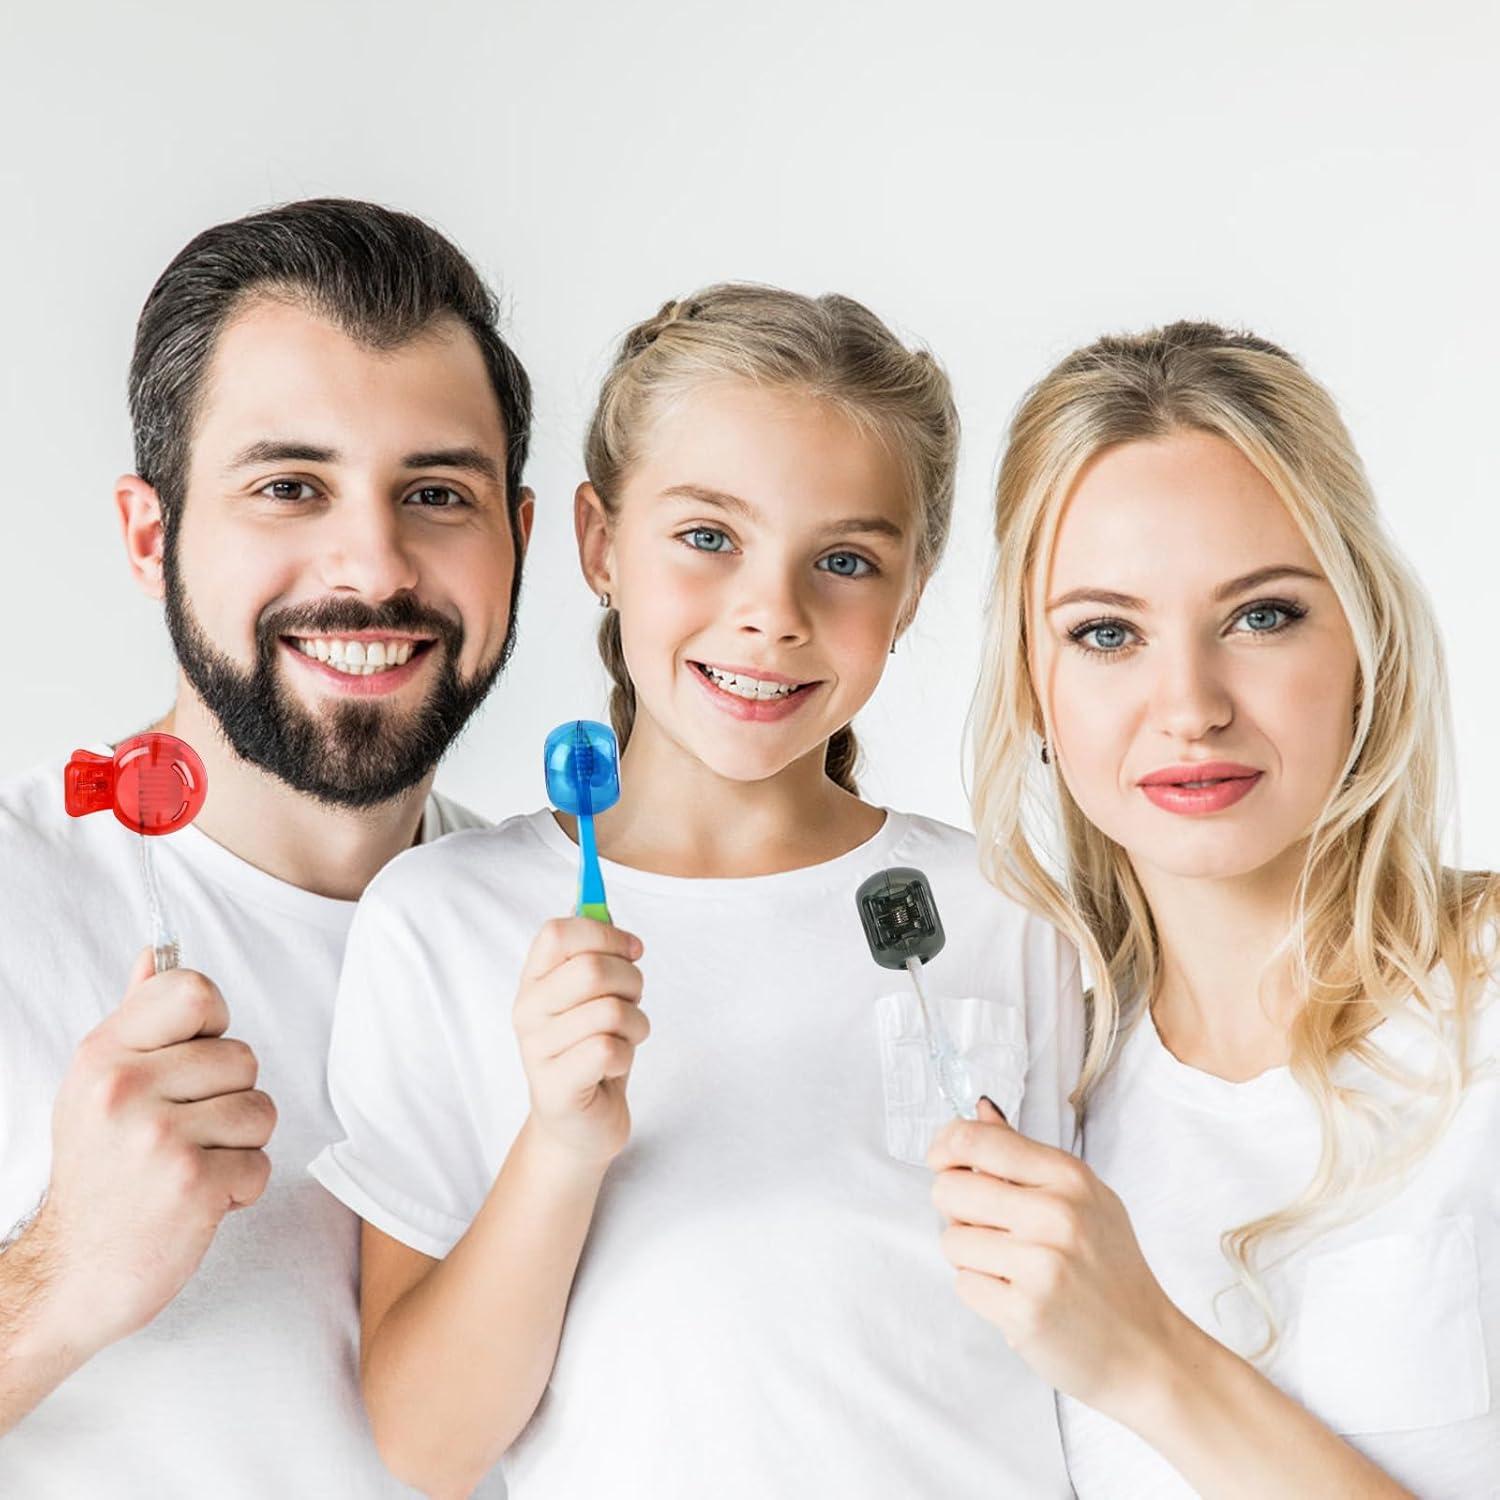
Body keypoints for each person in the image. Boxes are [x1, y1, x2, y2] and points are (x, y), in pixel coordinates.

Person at [310, 284, 1085, 1498]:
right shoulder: (447, 920)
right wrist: (562, 1144)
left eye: (843, 560)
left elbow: (1094, 1361)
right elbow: (427, 1445)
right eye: (709, 537)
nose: (772, 615)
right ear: (600, 545)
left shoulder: (1013, 909)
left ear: (914, 591)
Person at [0, 198, 533, 1498]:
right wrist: (64, 1271)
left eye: (436, 492)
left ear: (519, 536)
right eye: (289, 485)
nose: (373, 560)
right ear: (150, 534)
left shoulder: (575, 932)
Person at [933, 320, 1499, 1496]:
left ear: (1368, 639)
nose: (1188, 705)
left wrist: (1149, 1361)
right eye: (1106, 633)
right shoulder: (1043, 1083)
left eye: (1262, 614)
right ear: (1036, 694)